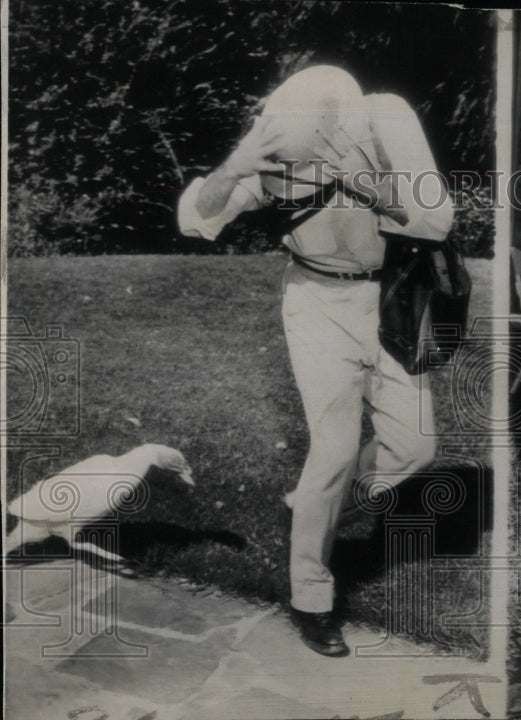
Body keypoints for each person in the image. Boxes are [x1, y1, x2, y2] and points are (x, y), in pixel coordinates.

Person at [177, 65, 453, 656]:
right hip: (315, 303)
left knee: (415, 447)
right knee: (332, 450)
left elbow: (437, 219)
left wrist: (369, 186)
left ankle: (311, 507)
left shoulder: (386, 119)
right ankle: (311, 596)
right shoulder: (273, 147)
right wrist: (235, 165)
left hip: (390, 297)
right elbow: (197, 221)